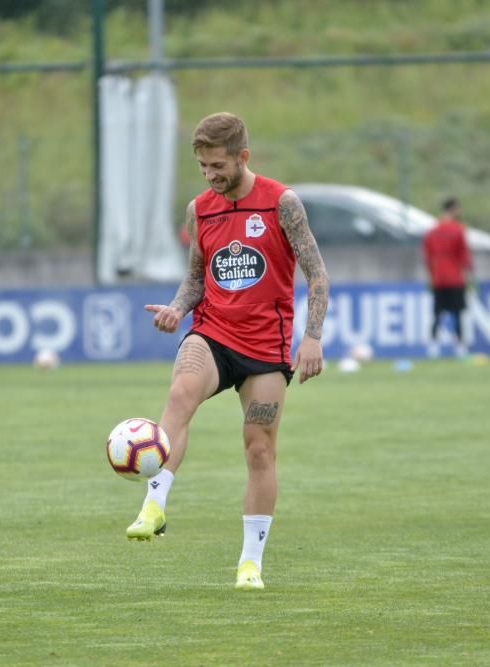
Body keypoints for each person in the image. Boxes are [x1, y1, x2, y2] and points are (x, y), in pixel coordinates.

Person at [127, 112, 329, 591]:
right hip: (213, 334)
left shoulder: (283, 203)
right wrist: (178, 309)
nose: (210, 175)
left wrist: (313, 336)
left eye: (217, 165)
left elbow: (317, 275)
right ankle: (154, 506)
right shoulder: (201, 209)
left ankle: (250, 564)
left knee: (259, 450)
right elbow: (197, 277)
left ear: (243, 156)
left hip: (265, 349)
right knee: (180, 396)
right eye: (202, 167)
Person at [422, 197, 473, 358]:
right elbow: (464, 255)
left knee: (437, 313)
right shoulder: (458, 230)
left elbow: (428, 258)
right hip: (455, 278)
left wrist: (431, 276)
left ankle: (433, 346)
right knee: (457, 313)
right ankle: (460, 347)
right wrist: (470, 275)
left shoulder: (431, 232)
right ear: (454, 209)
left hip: (438, 278)